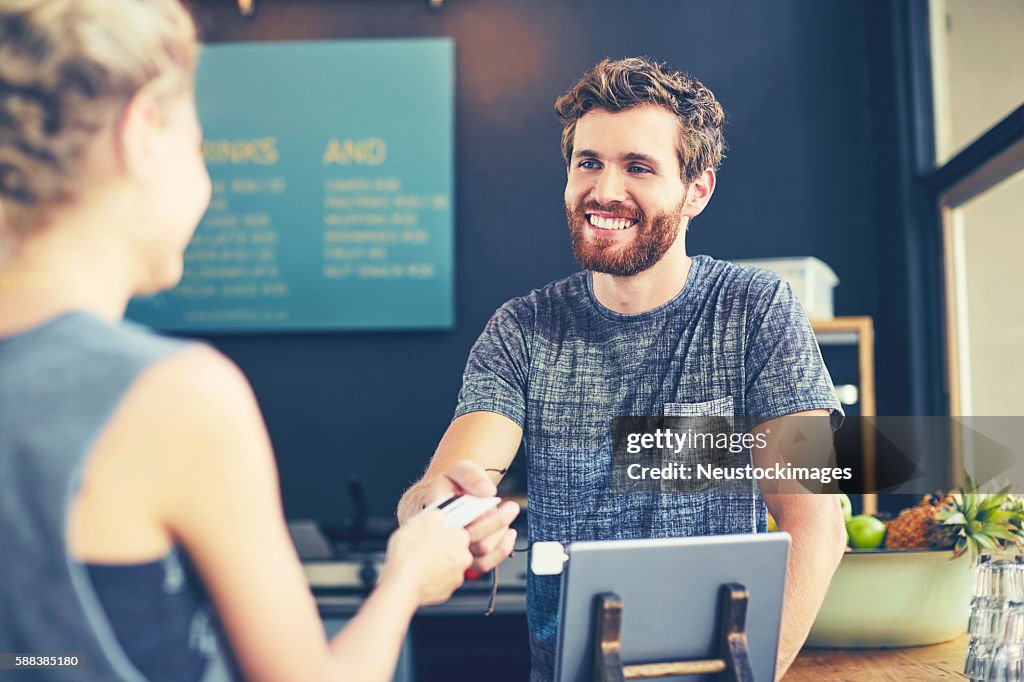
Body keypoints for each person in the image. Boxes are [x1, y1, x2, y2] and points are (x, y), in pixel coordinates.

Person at [0, 2, 506, 680]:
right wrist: (406, 580)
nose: (204, 180)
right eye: (198, 146)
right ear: (143, 129)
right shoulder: (174, 395)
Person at [397, 57, 848, 681]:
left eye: (638, 166)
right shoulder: (522, 330)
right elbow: (450, 482)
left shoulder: (755, 308)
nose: (605, 191)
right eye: (589, 162)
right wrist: (436, 510)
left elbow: (816, 519)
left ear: (698, 190)